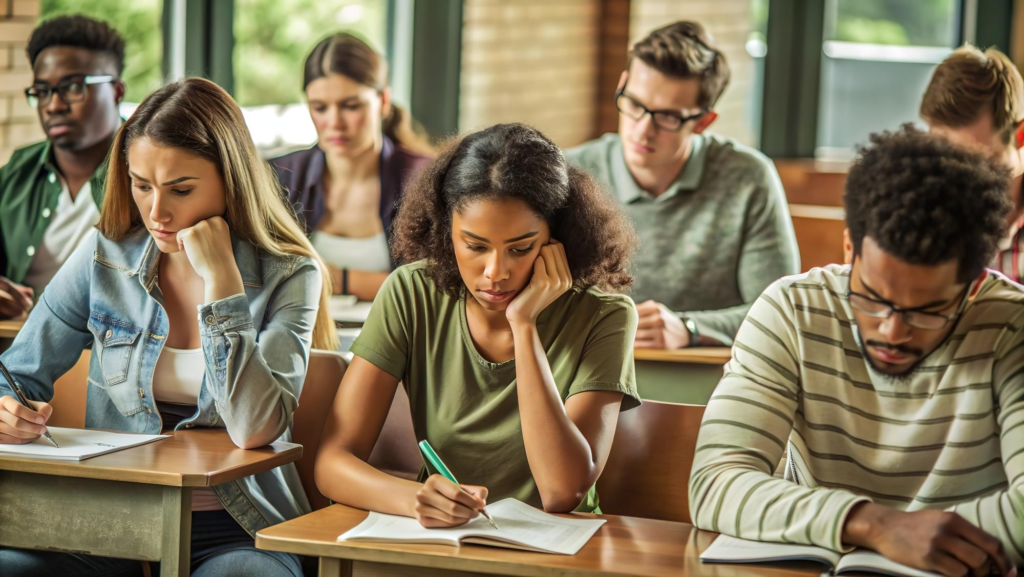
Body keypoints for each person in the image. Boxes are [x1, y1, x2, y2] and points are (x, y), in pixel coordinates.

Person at [0, 77, 337, 577]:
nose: (157, 212)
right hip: (110, 520)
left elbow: (257, 426)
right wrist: (6, 411)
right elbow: (17, 374)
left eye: (180, 189)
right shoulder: (103, 258)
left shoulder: (291, 274)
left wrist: (222, 282)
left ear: (230, 178)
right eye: (141, 185)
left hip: (235, 528)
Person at [689, 125, 1023, 576]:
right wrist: (871, 524)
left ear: (974, 284)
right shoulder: (791, 311)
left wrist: (916, 534)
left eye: (927, 310)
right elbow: (715, 484)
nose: (893, 330)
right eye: (872, 296)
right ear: (850, 248)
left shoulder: (1012, 328)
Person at [314, 123, 641, 524]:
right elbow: (332, 463)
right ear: (446, 231)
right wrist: (415, 499)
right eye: (475, 245)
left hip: (559, 548)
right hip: (441, 541)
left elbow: (561, 491)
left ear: (557, 238)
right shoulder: (412, 293)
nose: (495, 272)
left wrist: (524, 326)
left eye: (520, 249)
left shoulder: (605, 316)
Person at [566, 20, 799, 350]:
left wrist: (689, 328)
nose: (643, 130)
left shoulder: (748, 177)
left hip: (705, 378)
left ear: (703, 122)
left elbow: (780, 314)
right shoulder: (571, 172)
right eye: (634, 103)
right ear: (622, 85)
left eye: (668, 117)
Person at [272, 32, 433, 301]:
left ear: (383, 102)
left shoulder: (424, 179)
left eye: (350, 105)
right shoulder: (280, 177)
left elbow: (432, 286)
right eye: (320, 107)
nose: (334, 122)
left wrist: (333, 278)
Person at [0, 15, 125, 319]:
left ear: (116, 92)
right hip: (19, 352)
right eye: (42, 91)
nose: (53, 105)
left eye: (71, 87)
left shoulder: (152, 174)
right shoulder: (17, 173)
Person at [921, 44, 1024, 283]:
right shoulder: (921, 211)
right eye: (946, 158)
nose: (958, 178)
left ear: (1020, 136)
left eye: (977, 161)